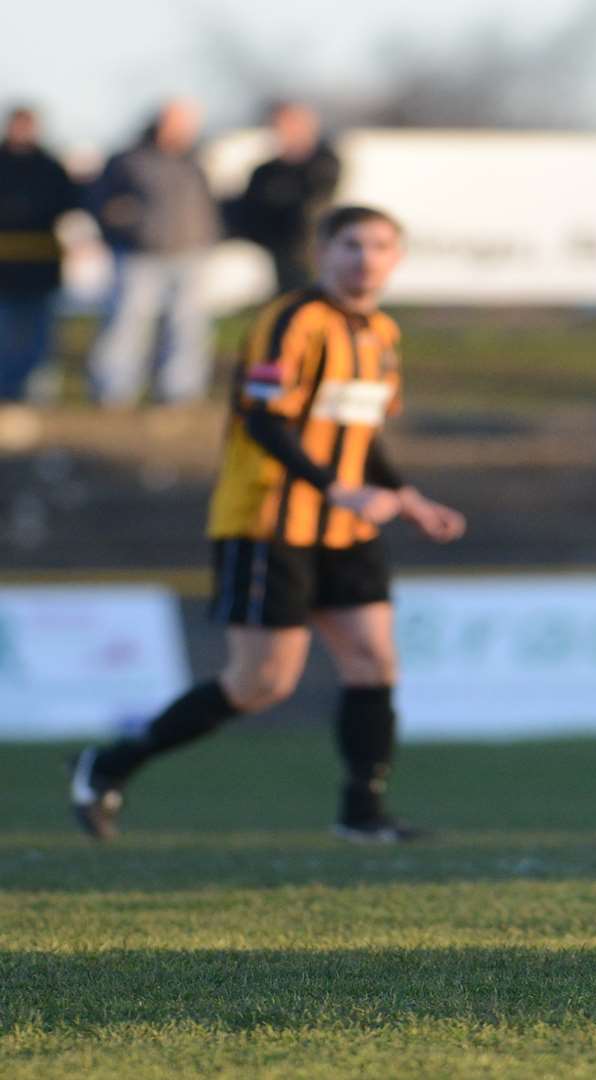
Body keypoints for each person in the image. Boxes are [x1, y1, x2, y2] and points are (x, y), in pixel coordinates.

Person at [68, 205, 466, 843]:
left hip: (345, 529)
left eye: (380, 246)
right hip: (268, 521)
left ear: (398, 259)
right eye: (350, 245)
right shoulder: (292, 320)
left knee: (374, 662)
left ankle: (361, 815)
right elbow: (263, 419)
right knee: (261, 683)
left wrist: (409, 498)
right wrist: (338, 489)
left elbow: (360, 434)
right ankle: (108, 764)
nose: (365, 258)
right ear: (322, 252)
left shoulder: (384, 334)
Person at [85, 99, 220, 406]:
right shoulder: (128, 160)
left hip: (191, 252)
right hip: (139, 253)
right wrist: (123, 227)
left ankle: (180, 393)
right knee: (127, 322)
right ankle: (113, 391)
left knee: (188, 326)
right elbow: (99, 203)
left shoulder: (195, 159)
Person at [0, 105, 80, 402]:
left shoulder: (50, 167)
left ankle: (37, 395)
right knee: (5, 337)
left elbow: (72, 209)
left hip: (41, 269)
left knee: (39, 337)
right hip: (4, 272)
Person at [228, 101, 342, 293]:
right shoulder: (266, 170)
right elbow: (251, 208)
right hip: (279, 247)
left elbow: (313, 204)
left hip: (309, 248)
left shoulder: (324, 163)